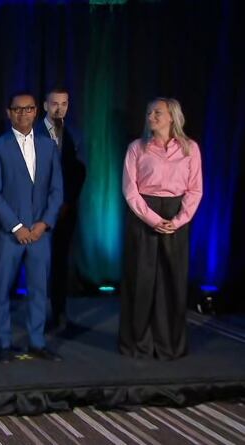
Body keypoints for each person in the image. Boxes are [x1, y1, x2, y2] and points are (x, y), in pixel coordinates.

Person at [120, 98, 202, 360]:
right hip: (144, 216)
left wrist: (178, 221)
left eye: (157, 112)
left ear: (172, 117)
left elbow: (194, 189)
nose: (151, 117)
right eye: (148, 112)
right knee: (141, 280)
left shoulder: (190, 149)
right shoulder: (137, 148)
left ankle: (169, 345)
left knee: (172, 281)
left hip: (176, 216)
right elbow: (130, 190)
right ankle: (138, 344)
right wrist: (153, 219)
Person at [0, 92, 63, 363]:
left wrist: (43, 224)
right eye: (17, 109)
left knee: (40, 289)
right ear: (9, 113)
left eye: (28, 109)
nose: (23, 113)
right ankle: (4, 344)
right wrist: (16, 226)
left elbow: (57, 191)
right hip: (9, 234)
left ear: (35, 112)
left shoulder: (48, 146)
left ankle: (37, 342)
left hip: (40, 233)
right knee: (2, 288)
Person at [34, 87, 86, 330]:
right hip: (40, 211)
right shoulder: (33, 133)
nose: (59, 108)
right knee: (39, 263)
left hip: (65, 210)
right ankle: (38, 315)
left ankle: (59, 313)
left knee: (60, 262)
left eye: (64, 103)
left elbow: (79, 170)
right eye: (54, 103)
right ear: (45, 106)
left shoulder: (73, 133)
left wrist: (67, 201)